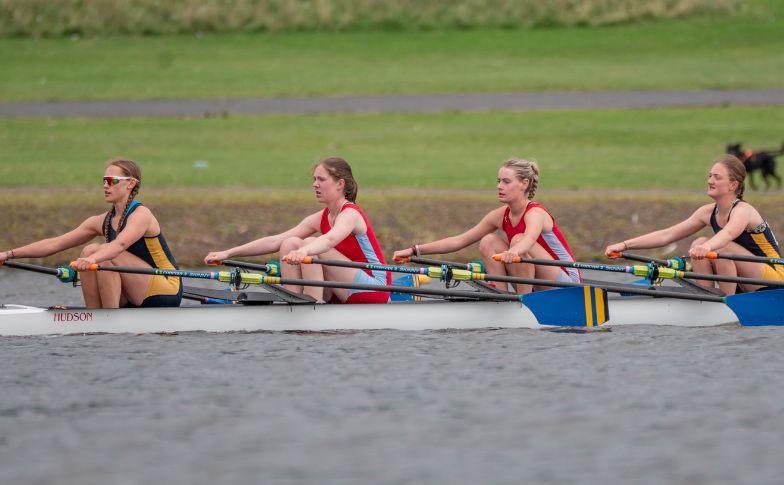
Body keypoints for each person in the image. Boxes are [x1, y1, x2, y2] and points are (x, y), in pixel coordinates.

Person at [0, 158, 182, 308]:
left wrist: (92, 260)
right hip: (134, 289)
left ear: (131, 184)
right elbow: (55, 243)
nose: (105, 185)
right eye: (104, 181)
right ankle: (93, 316)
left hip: (166, 289)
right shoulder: (102, 221)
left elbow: (120, 245)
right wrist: (8, 254)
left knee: (97, 253)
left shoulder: (141, 215)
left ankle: (109, 320)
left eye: (111, 181)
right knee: (90, 250)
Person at [204, 157, 390, 304]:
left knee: (308, 243)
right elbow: (274, 241)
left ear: (340, 184)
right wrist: (228, 253)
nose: (314, 184)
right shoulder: (321, 217)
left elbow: (330, 240)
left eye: (321, 179)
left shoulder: (351, 214)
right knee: (289, 243)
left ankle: (314, 304)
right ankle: (293, 300)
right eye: (314, 179)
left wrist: (304, 251)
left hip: (376, 288)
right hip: (345, 286)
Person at [392, 158, 581, 294]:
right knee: (488, 241)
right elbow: (459, 240)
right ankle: (501, 294)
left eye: (506, 182)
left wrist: (514, 251)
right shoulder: (500, 216)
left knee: (518, 238)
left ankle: (524, 301)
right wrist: (414, 250)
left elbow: (529, 239)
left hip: (567, 282)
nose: (500, 186)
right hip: (537, 278)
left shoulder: (536, 213)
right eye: (498, 181)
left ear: (524, 184)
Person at [604, 154, 784, 295]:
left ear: (732, 185)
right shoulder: (707, 212)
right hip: (745, 277)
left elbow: (728, 234)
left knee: (718, 246)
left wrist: (705, 247)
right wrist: (625, 245)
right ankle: (705, 297)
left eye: (716, 177)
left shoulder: (743, 210)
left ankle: (725, 304)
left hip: (773, 277)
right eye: (709, 176)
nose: (710, 181)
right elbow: (666, 235)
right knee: (698, 242)